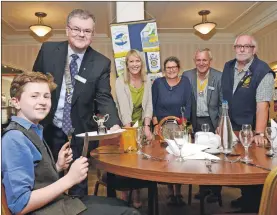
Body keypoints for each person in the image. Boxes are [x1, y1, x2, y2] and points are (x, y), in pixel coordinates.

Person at [1, 71, 140, 215]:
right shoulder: (14, 139)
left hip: (58, 204)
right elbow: (19, 205)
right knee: (129, 213)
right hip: (49, 210)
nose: (42, 101)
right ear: (16, 102)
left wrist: (58, 167)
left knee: (121, 204)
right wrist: (69, 179)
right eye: (34, 96)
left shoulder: (32, 130)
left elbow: (35, 180)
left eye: (46, 96)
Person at [33, 9, 121, 197]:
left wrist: (113, 123)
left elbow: (104, 96)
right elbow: (33, 83)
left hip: (80, 132)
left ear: (93, 34)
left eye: (87, 31)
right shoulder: (48, 50)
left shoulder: (101, 62)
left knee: (78, 183)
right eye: (76, 29)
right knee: (49, 179)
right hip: (51, 127)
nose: (82, 34)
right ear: (67, 30)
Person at [222, 35, 275, 213]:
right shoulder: (228, 66)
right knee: (239, 166)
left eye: (246, 46)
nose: (242, 49)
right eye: (238, 46)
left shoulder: (263, 71)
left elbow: (262, 106)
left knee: (253, 166)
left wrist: (259, 133)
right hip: (232, 126)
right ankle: (246, 198)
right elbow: (225, 97)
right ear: (234, 48)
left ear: (254, 50)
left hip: (251, 128)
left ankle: (255, 206)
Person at [183, 48, 223, 203]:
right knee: (199, 156)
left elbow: (222, 103)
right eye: (198, 60)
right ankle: (203, 188)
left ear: (210, 61)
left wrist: (221, 124)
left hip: (213, 122)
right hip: (195, 121)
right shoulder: (187, 75)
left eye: (204, 60)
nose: (201, 63)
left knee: (214, 156)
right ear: (195, 61)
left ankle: (216, 191)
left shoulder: (218, 76)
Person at [152, 56, 191, 206]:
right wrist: (156, 124)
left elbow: (188, 104)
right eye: (168, 67)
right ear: (164, 69)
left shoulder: (185, 82)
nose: (171, 70)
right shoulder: (157, 83)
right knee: (166, 159)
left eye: (174, 67)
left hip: (180, 126)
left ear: (178, 68)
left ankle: (178, 192)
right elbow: (153, 104)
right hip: (162, 127)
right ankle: (169, 190)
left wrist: (184, 123)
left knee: (179, 158)